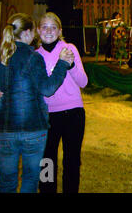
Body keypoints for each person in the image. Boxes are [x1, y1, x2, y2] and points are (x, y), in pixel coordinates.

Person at [0, 13, 73, 193]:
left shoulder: (1, 57)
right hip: (33, 128)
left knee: (7, 182)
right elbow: (47, 88)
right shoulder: (33, 57)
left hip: (5, 129)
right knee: (30, 180)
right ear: (29, 32)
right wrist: (62, 64)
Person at [36, 12, 88, 193]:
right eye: (44, 27)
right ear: (38, 30)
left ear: (59, 31)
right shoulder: (34, 56)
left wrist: (71, 65)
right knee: (46, 160)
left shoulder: (69, 49)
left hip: (72, 114)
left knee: (71, 160)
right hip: (46, 116)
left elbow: (83, 82)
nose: (48, 31)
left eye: (53, 27)